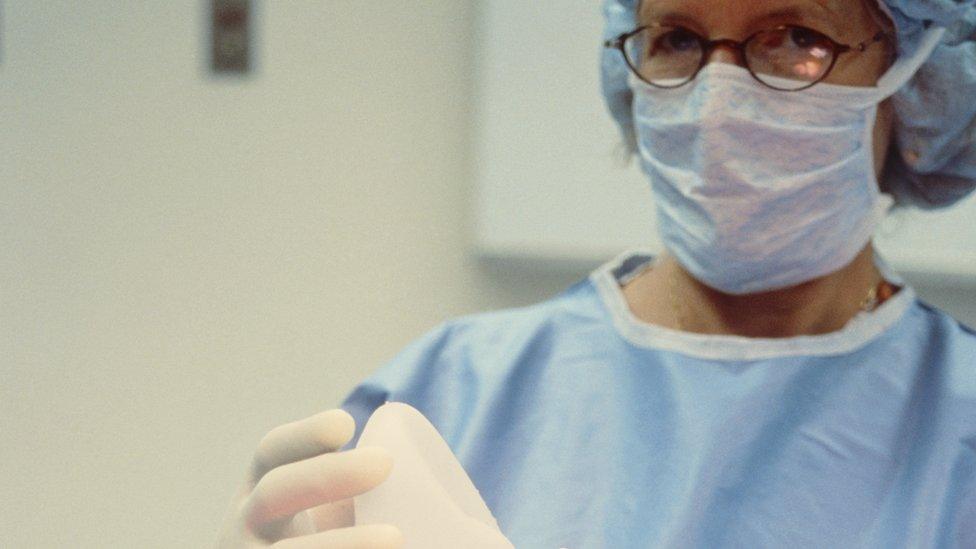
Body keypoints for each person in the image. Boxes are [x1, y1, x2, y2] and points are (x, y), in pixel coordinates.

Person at [216, 0, 976, 547]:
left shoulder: (958, 425)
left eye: (796, 39)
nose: (718, 99)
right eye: (676, 38)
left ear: (915, 85)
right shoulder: (457, 391)